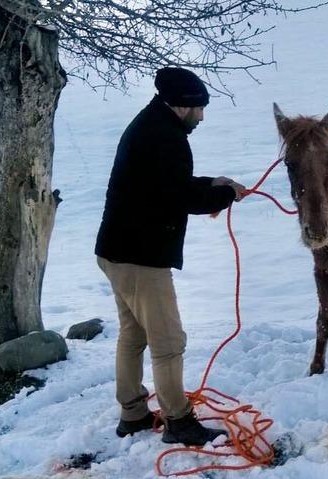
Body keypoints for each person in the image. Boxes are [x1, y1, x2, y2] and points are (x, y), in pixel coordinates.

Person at [95, 67, 246, 445]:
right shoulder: (166, 138)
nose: (202, 117)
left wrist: (213, 184)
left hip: (116, 251)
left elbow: (166, 184)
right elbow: (181, 197)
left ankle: (133, 413)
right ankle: (178, 421)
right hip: (140, 259)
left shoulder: (151, 126)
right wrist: (225, 195)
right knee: (168, 342)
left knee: (133, 335)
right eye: (200, 109)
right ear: (182, 106)